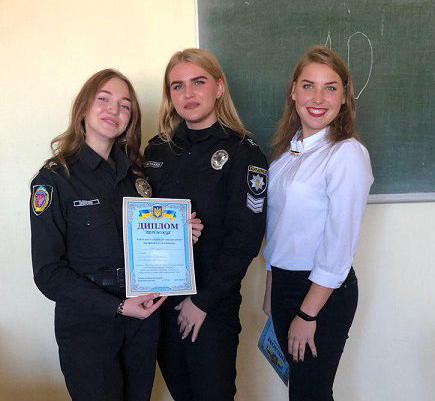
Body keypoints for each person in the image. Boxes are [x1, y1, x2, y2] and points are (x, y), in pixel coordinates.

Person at [30, 69, 203, 401]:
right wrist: (118, 306)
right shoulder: (55, 180)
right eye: (104, 99)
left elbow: (150, 244)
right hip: (88, 325)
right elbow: (48, 273)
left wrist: (181, 236)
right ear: (83, 108)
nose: (114, 110)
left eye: (125, 105)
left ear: (131, 118)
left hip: (143, 321)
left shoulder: (137, 177)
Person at [144, 48, 267, 401]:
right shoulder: (156, 151)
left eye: (198, 82)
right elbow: (141, 223)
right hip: (159, 302)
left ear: (219, 87)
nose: (189, 94)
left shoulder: (243, 153)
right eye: (177, 86)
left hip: (211, 305)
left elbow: (246, 239)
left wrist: (202, 302)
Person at [262, 46, 374, 401]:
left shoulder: (346, 154)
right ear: (293, 92)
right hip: (284, 285)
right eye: (308, 86)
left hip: (320, 294)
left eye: (330, 88)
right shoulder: (287, 153)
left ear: (344, 97)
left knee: (310, 394)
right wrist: (271, 286)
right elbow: (279, 226)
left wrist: (308, 314)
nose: (318, 98)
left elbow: (339, 243)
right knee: (305, 392)